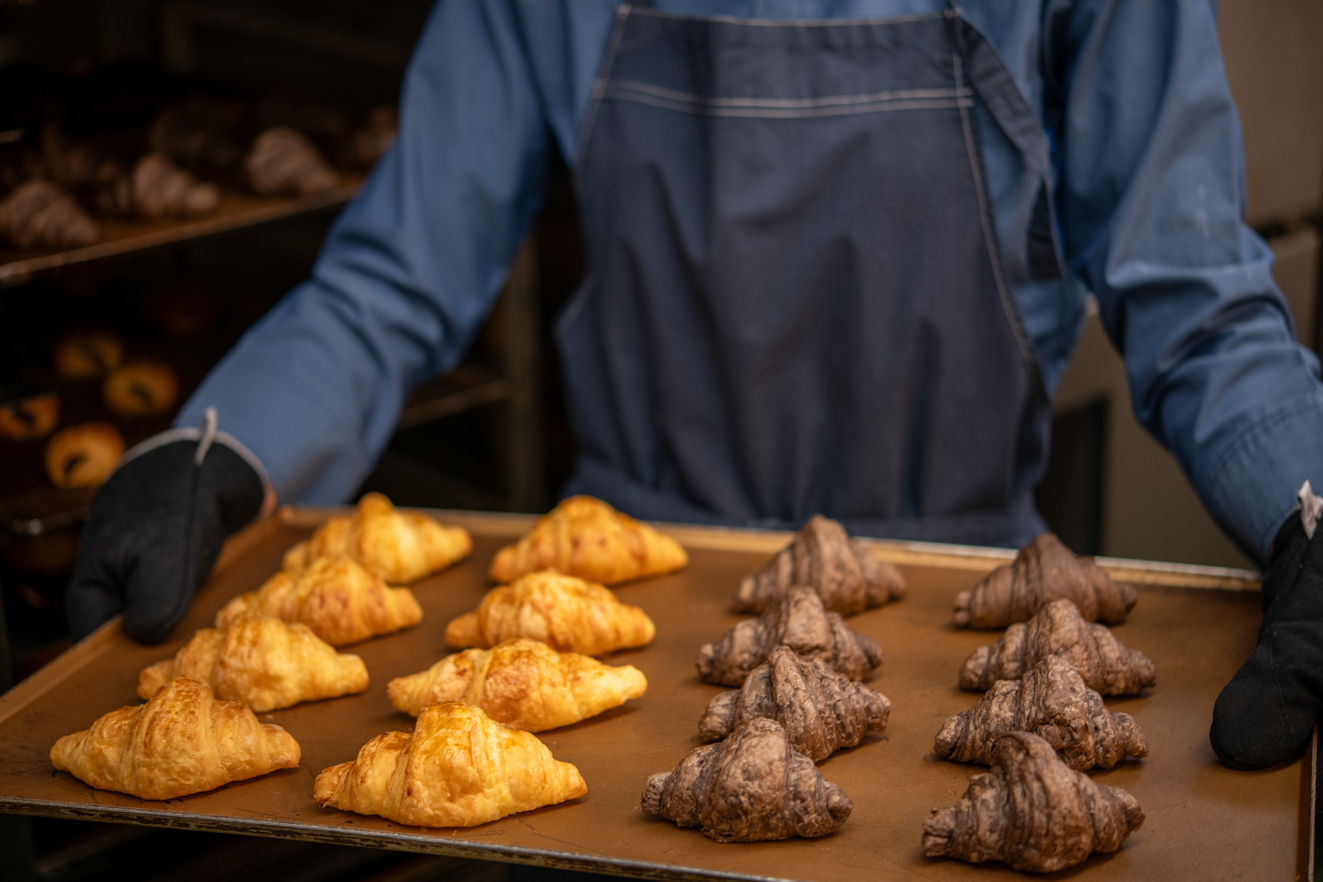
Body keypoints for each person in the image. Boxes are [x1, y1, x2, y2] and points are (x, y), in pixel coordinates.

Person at [65, 0, 1323, 771]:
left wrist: (1310, 508)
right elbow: (392, 278)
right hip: (617, 651)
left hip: (968, 636)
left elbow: (1199, 302)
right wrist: (221, 449)